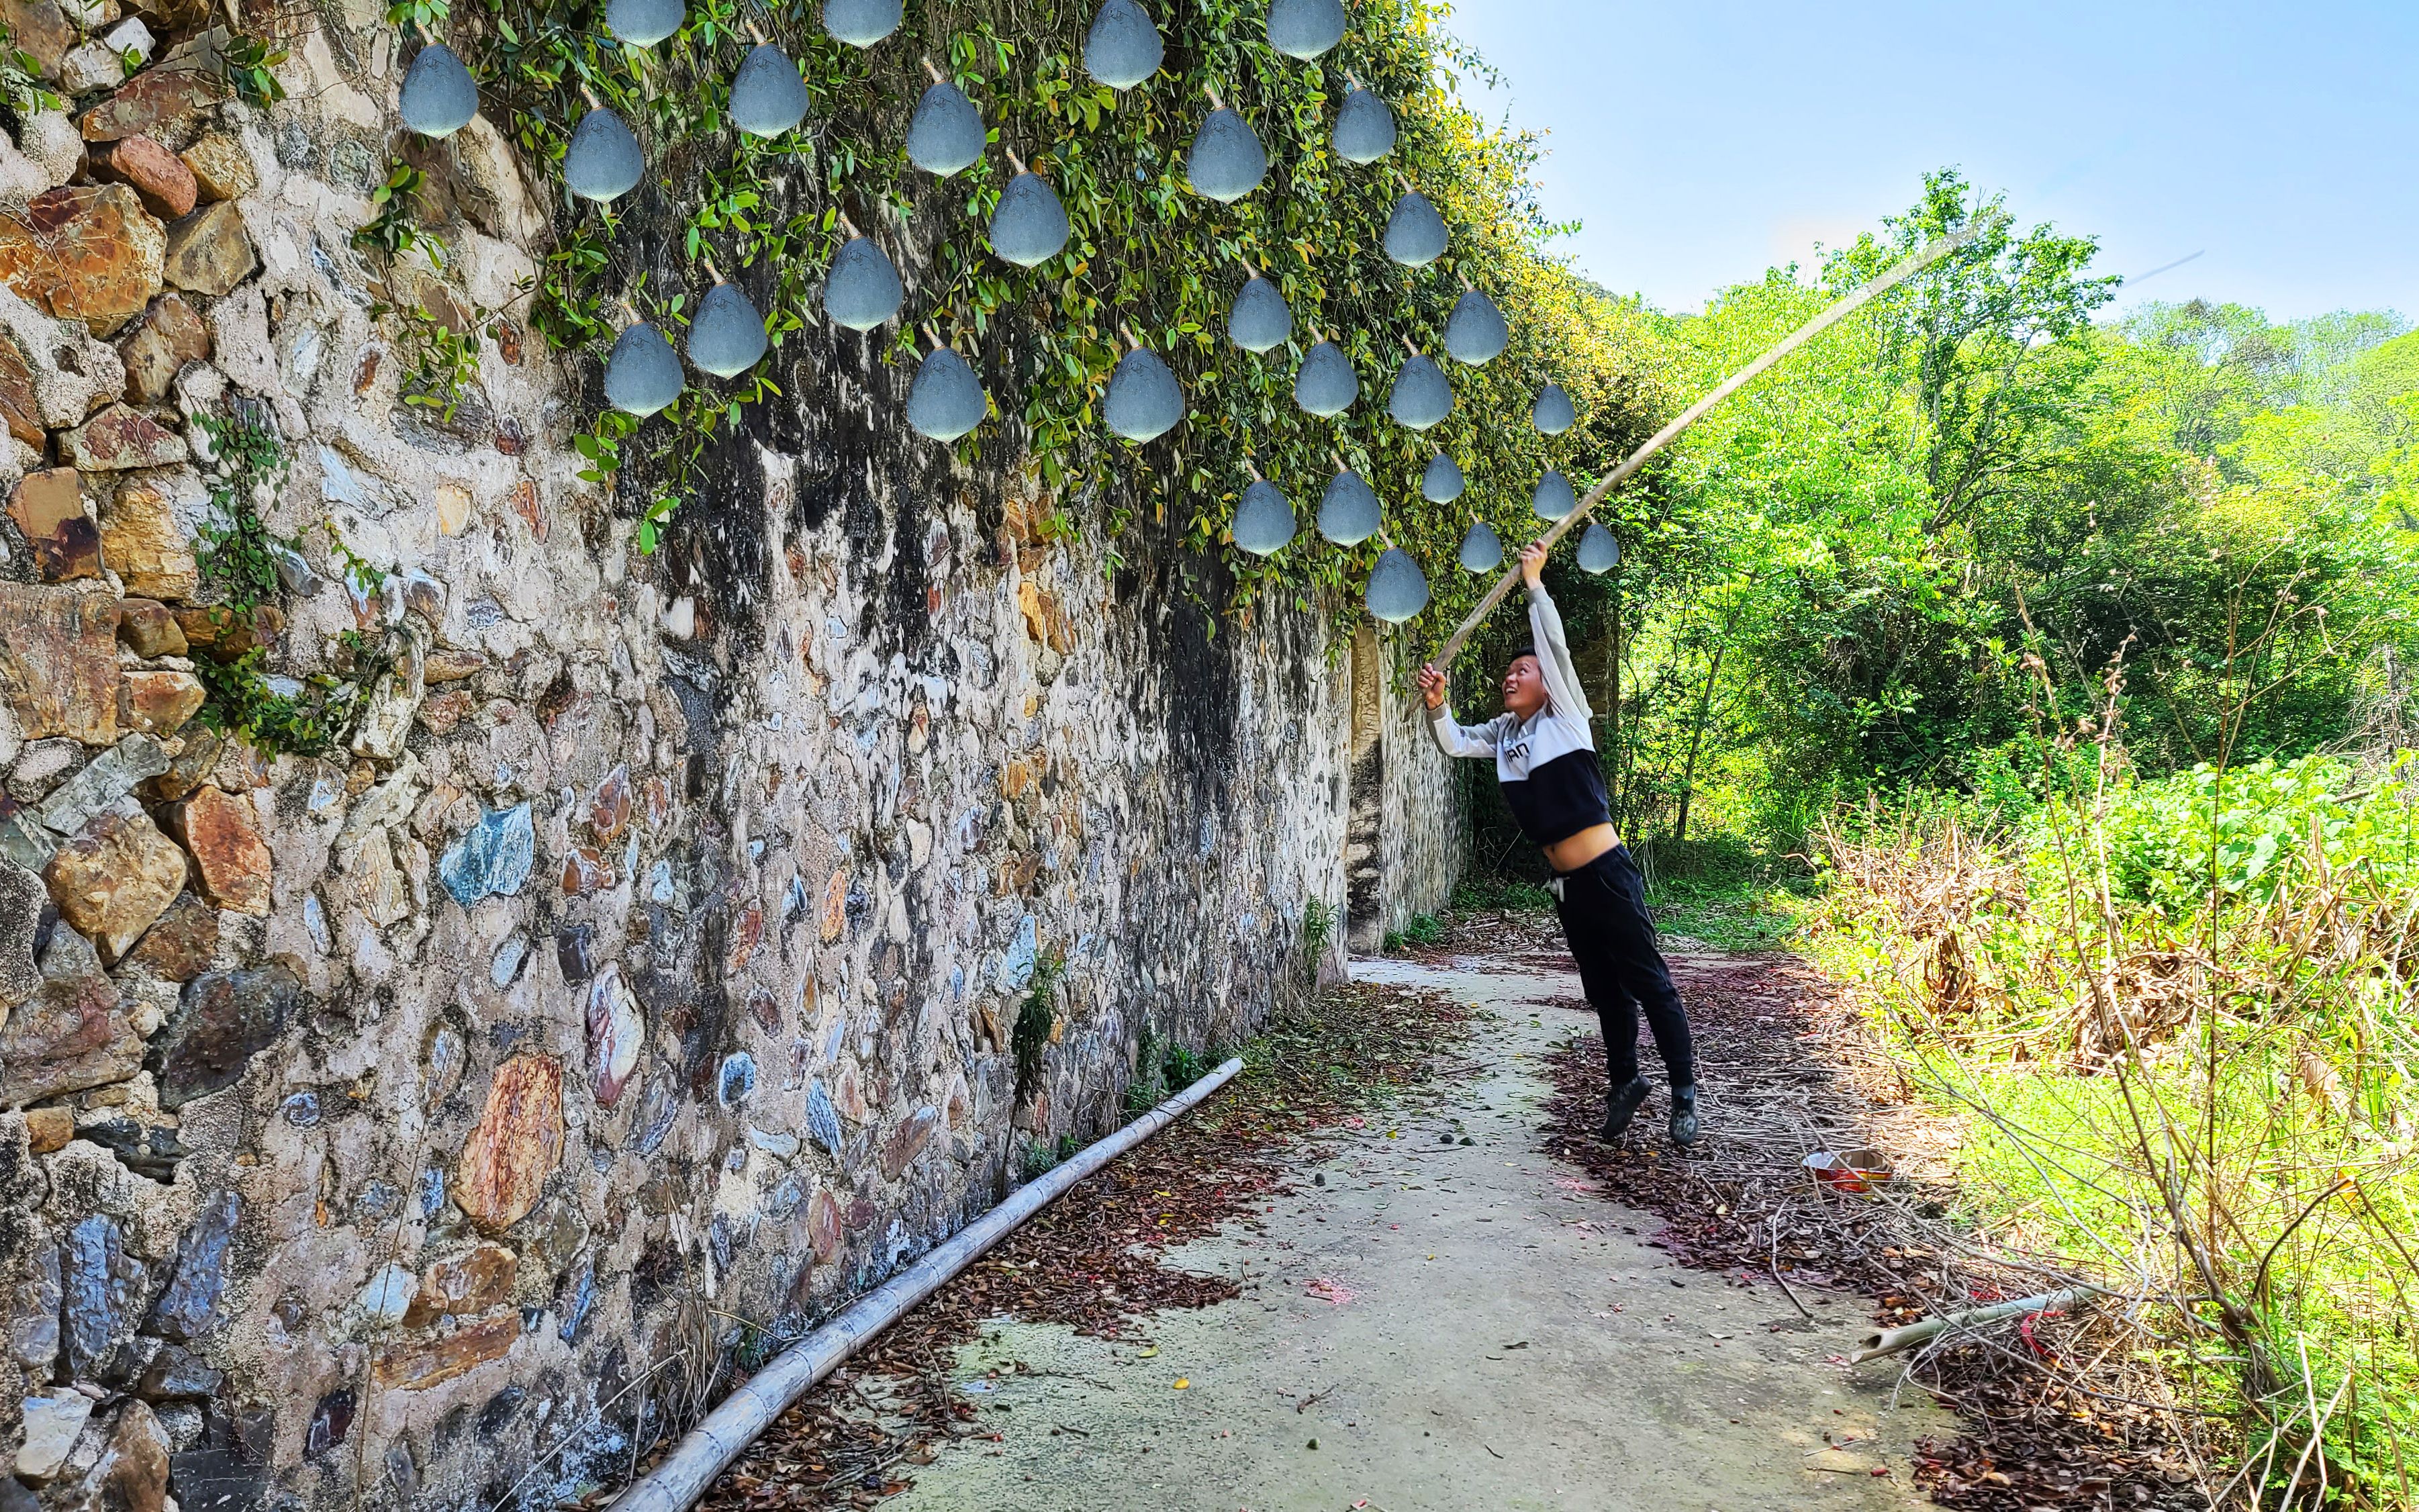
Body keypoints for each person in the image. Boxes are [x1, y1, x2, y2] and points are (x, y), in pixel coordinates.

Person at [1417, 540, 1699, 1146]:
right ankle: (1624, 1082)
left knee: (1648, 980)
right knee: (1602, 991)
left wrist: (1535, 585)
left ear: (1548, 686)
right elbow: (1453, 742)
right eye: (1507, 673)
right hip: (1567, 886)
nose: (1509, 678)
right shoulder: (1505, 736)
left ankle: (1683, 1091)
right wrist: (1437, 707)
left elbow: (1555, 650)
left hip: (1606, 872)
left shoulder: (1565, 717)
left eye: (1521, 671)